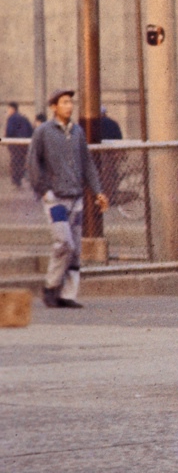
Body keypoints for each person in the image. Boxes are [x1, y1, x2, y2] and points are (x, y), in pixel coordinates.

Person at [25, 90, 107, 309]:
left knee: (75, 247)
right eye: (64, 102)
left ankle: (67, 293)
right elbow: (33, 162)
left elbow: (87, 162)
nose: (69, 106)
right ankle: (51, 287)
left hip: (76, 196)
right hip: (55, 197)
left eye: (70, 102)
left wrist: (97, 191)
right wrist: (43, 189)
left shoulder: (77, 132)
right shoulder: (43, 132)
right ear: (54, 106)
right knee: (64, 242)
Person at [5, 102, 31, 188]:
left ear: (12, 109)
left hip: (15, 144)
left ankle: (16, 180)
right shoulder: (24, 118)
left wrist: (7, 141)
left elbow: (9, 131)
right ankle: (20, 178)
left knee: (15, 161)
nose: (8, 111)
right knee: (21, 161)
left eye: (8, 109)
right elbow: (30, 129)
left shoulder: (11, 119)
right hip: (24, 144)